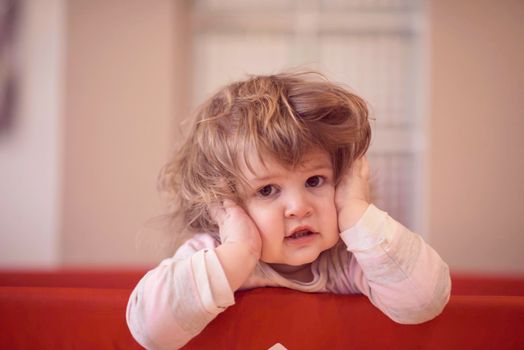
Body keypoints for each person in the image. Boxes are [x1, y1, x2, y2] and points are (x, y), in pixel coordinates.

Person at [126, 72, 451, 349]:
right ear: (222, 207)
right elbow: (150, 331)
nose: (299, 207)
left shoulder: (348, 259)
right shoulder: (211, 256)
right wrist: (240, 251)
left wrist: (355, 212)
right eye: (267, 190)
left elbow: (424, 301)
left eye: (315, 180)